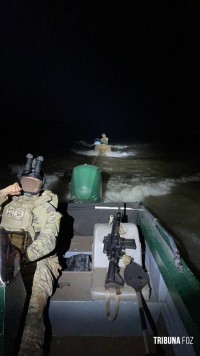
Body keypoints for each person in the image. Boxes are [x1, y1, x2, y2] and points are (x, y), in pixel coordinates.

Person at [0, 153, 62, 356]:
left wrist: (24, 255)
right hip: (4, 259)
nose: (29, 185)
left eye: (34, 183)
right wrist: (3, 193)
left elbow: (49, 239)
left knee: (34, 312)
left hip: (37, 262)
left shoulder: (46, 207)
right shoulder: (8, 201)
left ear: (41, 185)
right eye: (26, 181)